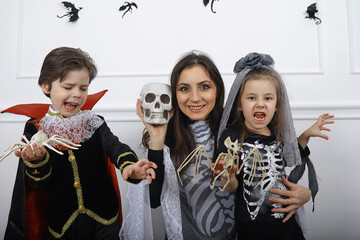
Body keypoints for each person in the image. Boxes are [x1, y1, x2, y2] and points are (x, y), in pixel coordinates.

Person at [120, 51, 314, 240]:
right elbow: (154, 200)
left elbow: (272, 176)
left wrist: (303, 194)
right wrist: (157, 135)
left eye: (204, 87)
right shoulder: (169, 139)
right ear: (174, 94)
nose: (195, 98)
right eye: (184, 88)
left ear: (218, 90)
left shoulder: (239, 130)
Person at [4, 47, 157, 240]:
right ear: (46, 86)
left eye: (83, 88)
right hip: (62, 223)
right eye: (68, 87)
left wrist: (130, 166)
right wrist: (37, 160)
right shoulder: (36, 128)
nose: (77, 94)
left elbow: (114, 146)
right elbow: (37, 182)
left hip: (104, 218)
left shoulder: (94, 122)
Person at [214, 52, 334, 240]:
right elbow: (230, 188)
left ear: (278, 104)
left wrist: (307, 134)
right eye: (251, 98)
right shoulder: (232, 137)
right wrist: (228, 175)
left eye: (268, 98)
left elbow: (291, 156)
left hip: (286, 226)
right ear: (239, 104)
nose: (260, 104)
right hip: (251, 229)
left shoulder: (277, 132)